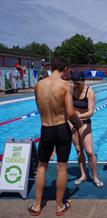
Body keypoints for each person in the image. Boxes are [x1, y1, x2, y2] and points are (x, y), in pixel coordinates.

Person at [29, 58, 83, 216]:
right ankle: (59, 207)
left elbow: (39, 107)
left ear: (52, 68)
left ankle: (37, 205)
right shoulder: (65, 85)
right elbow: (71, 112)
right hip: (61, 129)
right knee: (61, 166)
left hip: (45, 129)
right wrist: (79, 125)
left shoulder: (38, 85)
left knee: (41, 165)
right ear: (65, 69)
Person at [70, 71, 104, 188]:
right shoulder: (72, 90)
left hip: (84, 123)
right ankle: (83, 175)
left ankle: (95, 176)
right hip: (73, 123)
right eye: (73, 83)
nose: (75, 85)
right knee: (79, 151)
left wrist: (77, 117)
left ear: (83, 81)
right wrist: (71, 121)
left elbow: (90, 112)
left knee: (89, 152)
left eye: (77, 83)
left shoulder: (89, 92)